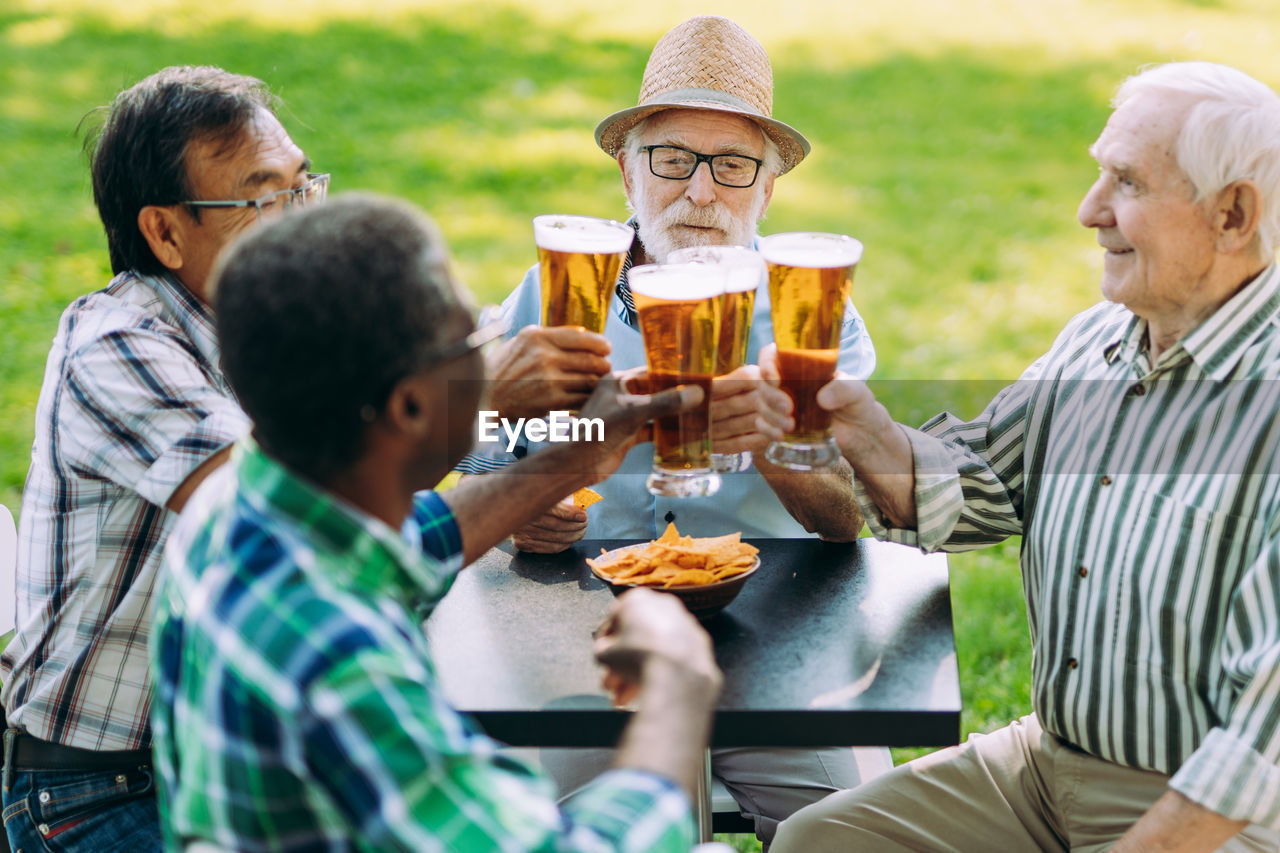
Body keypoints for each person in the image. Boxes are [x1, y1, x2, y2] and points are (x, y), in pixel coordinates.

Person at [772, 60, 1280, 853]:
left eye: (1127, 183)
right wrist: (865, 430)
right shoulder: (1097, 338)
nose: (1089, 211)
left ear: (1232, 214)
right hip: (1047, 763)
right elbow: (980, 488)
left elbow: (1261, 741)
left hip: (1218, 813)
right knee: (820, 841)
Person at [150, 193, 722, 852]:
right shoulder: (342, 663)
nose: (493, 356)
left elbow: (417, 539)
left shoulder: (242, 505)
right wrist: (677, 693)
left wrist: (573, 459)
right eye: (477, 339)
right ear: (412, 405)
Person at [459, 15, 888, 843]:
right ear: (627, 174)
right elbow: (481, 463)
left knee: (864, 827)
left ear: (767, 189)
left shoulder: (809, 310)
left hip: (776, 629)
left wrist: (774, 433)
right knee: (551, 826)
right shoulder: (556, 291)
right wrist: (528, 516)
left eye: (732, 166)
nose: (701, 193)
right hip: (584, 630)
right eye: (672, 159)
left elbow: (849, 519)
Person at [0, 66, 325, 851]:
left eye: (302, 186)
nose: (299, 220)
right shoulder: (115, 347)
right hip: (92, 793)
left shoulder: (267, 328)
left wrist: (521, 430)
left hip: (219, 766)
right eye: (261, 200)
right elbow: (290, 505)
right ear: (166, 233)